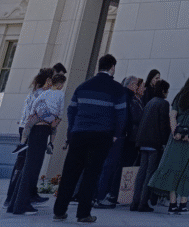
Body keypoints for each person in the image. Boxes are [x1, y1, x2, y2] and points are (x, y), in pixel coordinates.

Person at [52, 54, 127, 225]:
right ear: (112, 67)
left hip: (79, 133)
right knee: (91, 174)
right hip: (102, 134)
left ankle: (59, 211)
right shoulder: (116, 89)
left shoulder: (82, 86)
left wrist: (72, 131)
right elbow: (121, 114)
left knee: (70, 172)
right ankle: (83, 213)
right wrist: (116, 134)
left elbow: (71, 111)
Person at [148, 68, 189, 215]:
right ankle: (183, 204)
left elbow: (172, 116)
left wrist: (175, 131)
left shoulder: (180, 94)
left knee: (173, 168)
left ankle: (172, 204)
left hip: (176, 137)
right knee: (187, 169)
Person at [8, 72, 67, 215]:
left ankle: (15, 204)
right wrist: (54, 121)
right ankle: (21, 206)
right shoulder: (59, 94)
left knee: (28, 167)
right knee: (32, 168)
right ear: (60, 84)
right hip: (42, 130)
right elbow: (59, 113)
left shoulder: (41, 94)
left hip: (34, 128)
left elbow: (32, 111)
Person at [5, 70, 52, 210]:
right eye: (51, 80)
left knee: (26, 165)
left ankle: (17, 198)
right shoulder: (40, 94)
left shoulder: (36, 93)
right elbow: (42, 113)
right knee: (25, 166)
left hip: (28, 129)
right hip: (32, 130)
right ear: (47, 80)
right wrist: (53, 119)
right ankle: (17, 199)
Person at [94, 75, 143, 208]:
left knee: (108, 165)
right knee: (109, 165)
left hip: (113, 134)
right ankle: (100, 197)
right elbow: (123, 117)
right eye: (135, 85)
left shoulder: (120, 95)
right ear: (131, 84)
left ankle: (98, 196)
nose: (137, 88)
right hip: (117, 136)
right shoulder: (125, 96)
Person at [130, 79, 170, 212]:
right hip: (154, 143)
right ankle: (143, 202)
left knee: (142, 172)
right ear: (164, 91)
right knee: (149, 173)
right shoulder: (163, 104)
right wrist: (164, 142)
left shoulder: (149, 103)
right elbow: (163, 125)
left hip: (143, 142)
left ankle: (134, 202)